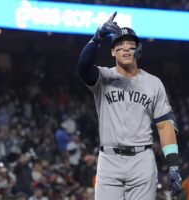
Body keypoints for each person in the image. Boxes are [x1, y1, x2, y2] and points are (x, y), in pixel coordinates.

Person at [76, 12, 181, 200]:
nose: (125, 49)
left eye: (130, 45)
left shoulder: (153, 83)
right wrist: (97, 37)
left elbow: (164, 125)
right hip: (109, 159)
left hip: (142, 160)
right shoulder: (102, 77)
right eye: (119, 45)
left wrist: (173, 165)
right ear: (112, 51)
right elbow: (83, 67)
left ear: (137, 50)